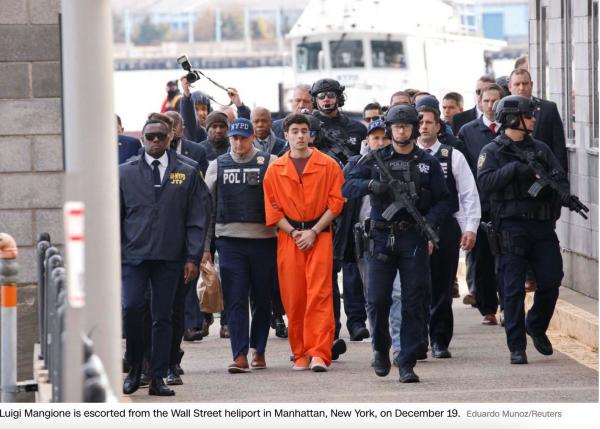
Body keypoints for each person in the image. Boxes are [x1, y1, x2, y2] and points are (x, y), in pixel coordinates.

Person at [342, 104, 451, 383]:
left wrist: (429, 222)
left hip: (413, 236)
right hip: (380, 236)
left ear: (414, 128)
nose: (401, 130)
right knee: (377, 299)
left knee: (414, 300)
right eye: (396, 126)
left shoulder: (427, 162)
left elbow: (445, 200)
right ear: (389, 129)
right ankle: (380, 347)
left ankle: (407, 360)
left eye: (406, 126)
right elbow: (347, 185)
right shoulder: (375, 159)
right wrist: (371, 187)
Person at [477, 95, 574, 364]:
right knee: (512, 289)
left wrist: (559, 194)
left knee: (552, 279)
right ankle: (516, 346)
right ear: (512, 118)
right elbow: (485, 184)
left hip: (542, 226)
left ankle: (537, 324)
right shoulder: (493, 152)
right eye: (528, 115)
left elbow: (560, 179)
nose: (533, 119)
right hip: (511, 226)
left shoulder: (540, 149)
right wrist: (515, 170)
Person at [120, 117, 209, 396]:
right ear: (143, 139)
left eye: (161, 136)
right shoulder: (124, 173)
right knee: (132, 309)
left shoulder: (187, 171)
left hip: (171, 257)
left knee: (163, 316)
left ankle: (158, 375)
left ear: (170, 137)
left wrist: (193, 257)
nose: (156, 141)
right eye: (150, 137)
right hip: (134, 256)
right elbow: (114, 216)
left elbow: (197, 217)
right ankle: (135, 366)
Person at [263, 113, 345, 372]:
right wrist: (295, 232)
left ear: (311, 135)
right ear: (285, 135)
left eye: (304, 131)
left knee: (320, 295)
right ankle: (300, 353)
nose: (300, 135)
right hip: (290, 239)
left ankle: (320, 352)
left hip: (319, 235)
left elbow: (337, 202)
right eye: (294, 131)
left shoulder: (328, 165)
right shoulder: (275, 169)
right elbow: (272, 210)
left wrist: (313, 230)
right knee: (294, 296)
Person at [203, 118, 278, 373]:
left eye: (242, 138)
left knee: (262, 298)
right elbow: (207, 208)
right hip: (230, 240)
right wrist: (206, 247)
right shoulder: (217, 165)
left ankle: (259, 350)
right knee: (235, 299)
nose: (237, 142)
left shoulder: (271, 162)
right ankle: (239, 354)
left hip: (264, 240)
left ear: (252, 138)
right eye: (234, 138)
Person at [416, 106, 480, 358]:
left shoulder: (452, 155)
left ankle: (440, 340)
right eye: (419, 122)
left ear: (438, 126)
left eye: (429, 122)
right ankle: (417, 338)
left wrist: (470, 229)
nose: (423, 127)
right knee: (416, 287)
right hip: (413, 228)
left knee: (442, 286)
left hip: (446, 226)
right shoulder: (405, 155)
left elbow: (468, 194)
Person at [457, 83, 504, 324]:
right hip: (480, 204)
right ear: (479, 102)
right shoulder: (468, 131)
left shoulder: (510, 128)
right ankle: (487, 308)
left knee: (506, 259)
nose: (491, 105)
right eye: (486, 101)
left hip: (506, 204)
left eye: (495, 101)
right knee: (483, 259)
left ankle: (508, 305)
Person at [508, 68, 568, 172]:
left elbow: (559, 148)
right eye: (517, 84)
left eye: (525, 83)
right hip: (514, 174)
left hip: (544, 173)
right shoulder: (503, 110)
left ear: (531, 84)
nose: (521, 88)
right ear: (510, 87)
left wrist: (560, 178)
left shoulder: (549, 108)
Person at [310, 78, 367, 156]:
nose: (326, 99)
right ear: (315, 100)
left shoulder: (358, 128)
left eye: (331, 95)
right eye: (321, 96)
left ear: (339, 98)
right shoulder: (307, 127)